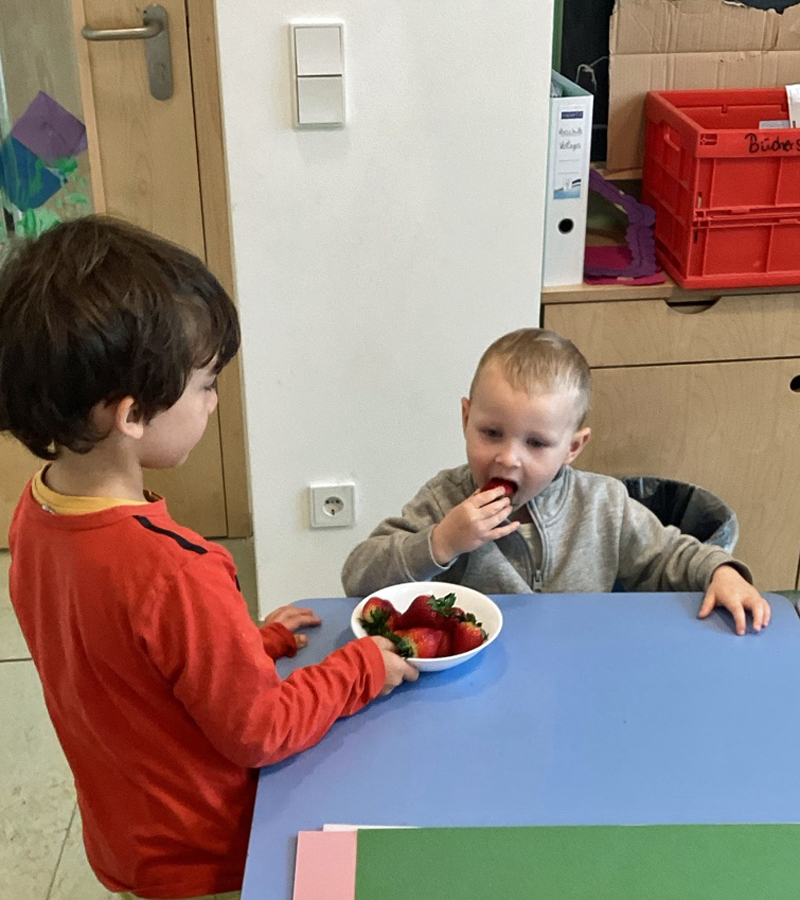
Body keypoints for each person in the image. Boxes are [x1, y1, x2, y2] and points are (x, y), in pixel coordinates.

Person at [0, 216, 418, 900]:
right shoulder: (177, 568)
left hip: (129, 840)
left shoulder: (36, 512)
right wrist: (360, 667)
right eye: (206, 385)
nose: (214, 401)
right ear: (132, 415)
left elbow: (125, 661)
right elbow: (260, 731)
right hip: (208, 859)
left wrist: (243, 646)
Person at [342, 327, 770, 637]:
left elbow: (667, 557)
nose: (508, 457)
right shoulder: (444, 500)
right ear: (466, 418)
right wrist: (441, 542)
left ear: (573, 447)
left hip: (582, 671)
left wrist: (722, 571)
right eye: (491, 433)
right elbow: (358, 578)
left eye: (537, 443)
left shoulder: (602, 503)